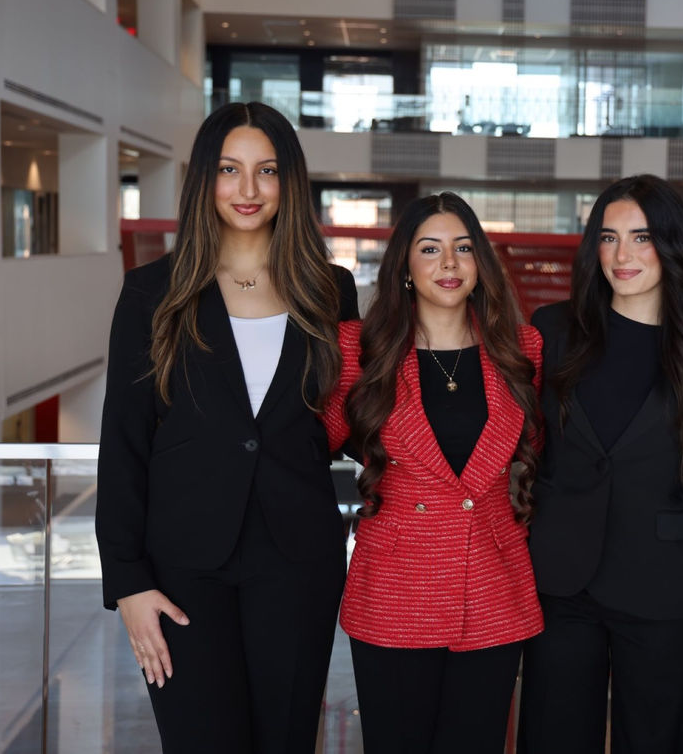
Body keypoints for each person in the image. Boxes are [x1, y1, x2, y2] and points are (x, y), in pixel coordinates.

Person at [95, 102, 358, 753]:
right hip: (183, 570)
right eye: (229, 170)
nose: (247, 190)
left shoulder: (331, 291)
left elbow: (346, 418)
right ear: (203, 181)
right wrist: (126, 581)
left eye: (266, 171)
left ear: (289, 182)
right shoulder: (151, 293)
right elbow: (124, 444)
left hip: (298, 564)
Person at [321, 192, 543, 754]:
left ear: (480, 264)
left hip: (494, 591)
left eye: (463, 248)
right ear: (404, 268)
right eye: (430, 249)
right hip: (393, 595)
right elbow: (303, 447)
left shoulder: (522, 349)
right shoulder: (360, 351)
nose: (449, 264)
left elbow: (539, 452)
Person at [517, 174, 683, 754]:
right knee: (553, 736)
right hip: (561, 577)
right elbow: (525, 438)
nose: (622, 255)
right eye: (608, 237)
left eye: (641, 237)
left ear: (672, 245)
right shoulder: (553, 330)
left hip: (657, 582)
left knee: (658, 739)